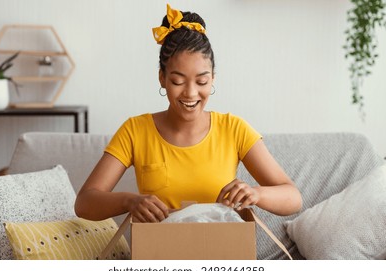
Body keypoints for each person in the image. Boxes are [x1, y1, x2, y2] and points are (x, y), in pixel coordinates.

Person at [74, 4, 302, 223]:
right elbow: (84, 203)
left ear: (213, 78)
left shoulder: (234, 129)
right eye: (177, 81)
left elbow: (293, 198)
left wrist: (256, 194)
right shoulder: (135, 130)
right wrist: (129, 201)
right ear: (162, 78)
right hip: (160, 256)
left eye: (201, 81)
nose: (191, 93)